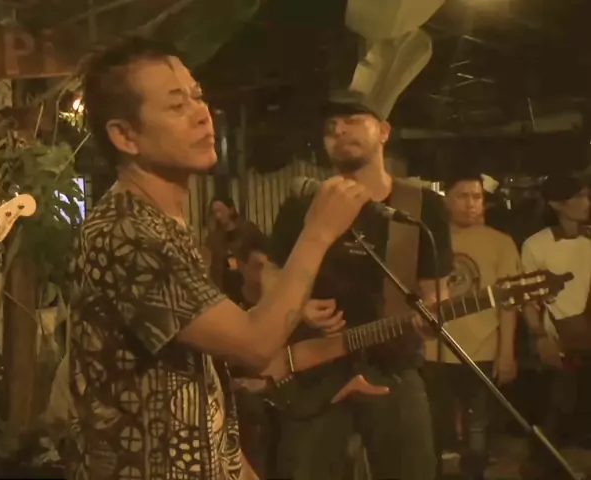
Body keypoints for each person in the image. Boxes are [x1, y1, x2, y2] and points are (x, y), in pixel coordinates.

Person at [64, 37, 376, 480]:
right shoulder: (126, 233)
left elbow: (201, 385)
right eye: (177, 105)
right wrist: (318, 233)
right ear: (125, 136)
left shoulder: (161, 226)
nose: (201, 113)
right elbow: (254, 345)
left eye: (198, 96)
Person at [267, 94, 454, 480]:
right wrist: (298, 307)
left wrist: (433, 313)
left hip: (393, 364)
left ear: (384, 131)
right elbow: (269, 274)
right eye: (330, 127)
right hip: (313, 369)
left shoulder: (420, 206)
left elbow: (434, 289)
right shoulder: (302, 204)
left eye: (352, 119)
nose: (338, 130)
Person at [421, 171, 520, 478]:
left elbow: (509, 303)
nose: (471, 204)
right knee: (433, 428)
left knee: (478, 429)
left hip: (481, 348)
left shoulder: (501, 243)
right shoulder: (430, 240)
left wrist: (507, 352)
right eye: (462, 196)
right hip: (433, 349)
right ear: (447, 200)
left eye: (477, 197)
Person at [520, 172, 591, 478]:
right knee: (555, 413)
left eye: (587, 195)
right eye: (579, 196)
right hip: (562, 340)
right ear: (557, 204)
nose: (586, 202)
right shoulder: (537, 245)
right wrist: (539, 336)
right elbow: (526, 298)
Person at [204, 197, 263, 305]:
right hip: (224, 286)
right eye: (215, 212)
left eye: (221, 210)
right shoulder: (214, 236)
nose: (218, 215)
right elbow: (209, 260)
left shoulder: (247, 230)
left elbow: (261, 250)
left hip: (247, 284)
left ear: (230, 209)